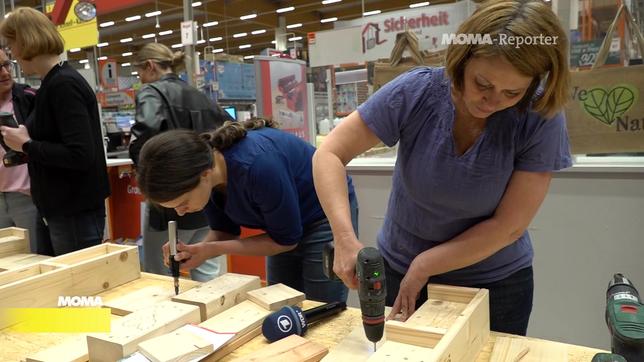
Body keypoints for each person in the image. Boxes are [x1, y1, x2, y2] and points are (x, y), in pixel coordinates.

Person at [312, 0, 570, 336]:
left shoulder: (539, 115)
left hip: (495, 284)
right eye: (482, 84)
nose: (492, 101)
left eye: (512, 92)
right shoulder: (416, 92)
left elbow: (508, 226)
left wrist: (426, 264)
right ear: (462, 60)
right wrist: (344, 239)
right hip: (398, 268)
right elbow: (329, 153)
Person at [135, 120, 358, 303]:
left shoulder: (257, 166)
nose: (181, 213)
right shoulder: (210, 177)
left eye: (183, 203)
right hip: (284, 229)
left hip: (321, 214)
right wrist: (196, 250)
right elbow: (226, 231)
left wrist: (210, 249)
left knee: (320, 308)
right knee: (282, 304)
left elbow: (286, 241)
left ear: (204, 174)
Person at [0, 8, 110, 256]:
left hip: (73, 210)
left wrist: (27, 145)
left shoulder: (63, 85)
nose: (13, 53)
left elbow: (80, 154)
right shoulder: (53, 83)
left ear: (25, 40)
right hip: (60, 209)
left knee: (78, 289)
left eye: (12, 44)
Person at [128, 43, 232, 282]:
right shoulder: (199, 94)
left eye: (139, 73)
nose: (140, 79)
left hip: (171, 202)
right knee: (206, 271)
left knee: (159, 272)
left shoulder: (151, 92)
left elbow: (144, 142)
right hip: (207, 198)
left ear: (150, 66)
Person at [0, 48, 39, 252]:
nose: (6, 73)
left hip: (27, 197)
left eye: (7, 64)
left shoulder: (29, 98)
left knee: (34, 259)